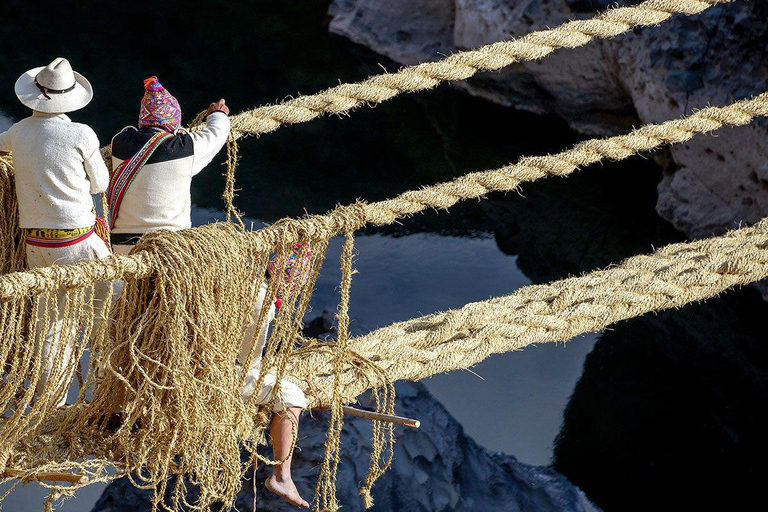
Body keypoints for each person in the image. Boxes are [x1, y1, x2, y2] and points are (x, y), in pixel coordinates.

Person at [109, 77, 309, 508]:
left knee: (141, 328)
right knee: (289, 394)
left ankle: (130, 407)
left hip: (125, 254)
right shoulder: (184, 150)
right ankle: (282, 474)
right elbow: (215, 135)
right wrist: (219, 113)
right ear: (176, 127)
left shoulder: (122, 146)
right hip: (171, 260)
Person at [0, 57, 111, 408]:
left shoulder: (18, 133)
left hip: (36, 243)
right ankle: (109, 393)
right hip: (78, 241)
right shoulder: (81, 133)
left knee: (53, 322)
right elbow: (101, 183)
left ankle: (54, 403)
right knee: (118, 304)